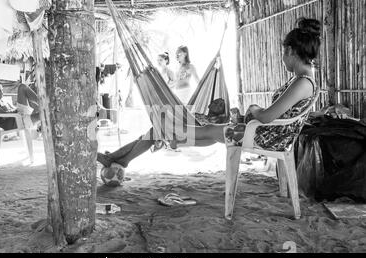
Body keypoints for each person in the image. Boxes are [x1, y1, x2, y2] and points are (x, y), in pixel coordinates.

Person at [98, 18, 321, 169]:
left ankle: (122, 156)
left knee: (178, 128)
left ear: (291, 51)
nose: (283, 60)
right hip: (262, 132)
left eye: (284, 54)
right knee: (192, 129)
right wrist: (250, 115)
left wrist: (253, 109)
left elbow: (266, 116)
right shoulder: (303, 80)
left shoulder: (302, 83)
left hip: (264, 137)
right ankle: (119, 158)